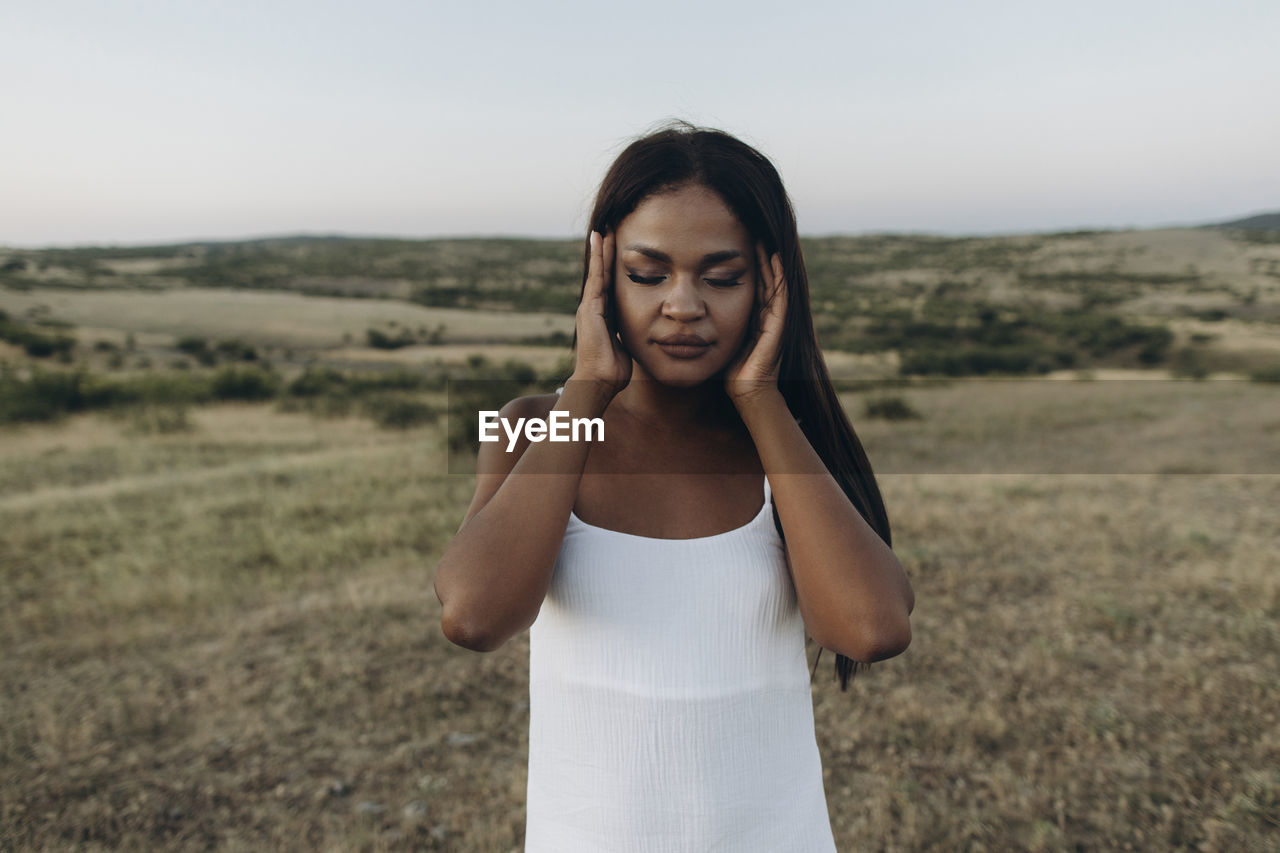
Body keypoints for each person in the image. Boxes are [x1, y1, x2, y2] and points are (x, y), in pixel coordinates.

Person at [433, 121, 915, 852]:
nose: (683, 305)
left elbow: (872, 628)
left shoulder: (785, 444)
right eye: (648, 273)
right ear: (601, 276)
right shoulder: (531, 429)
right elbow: (473, 614)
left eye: (721, 277)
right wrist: (588, 388)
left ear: (769, 283)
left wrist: (759, 399)